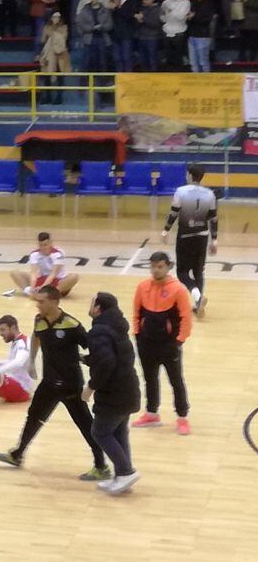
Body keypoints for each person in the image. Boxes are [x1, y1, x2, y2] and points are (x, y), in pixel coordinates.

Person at [0, 286, 111, 482]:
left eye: (41, 301)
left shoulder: (71, 324)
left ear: (55, 302)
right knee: (34, 417)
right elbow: (36, 336)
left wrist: (89, 362)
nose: (37, 304)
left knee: (84, 424)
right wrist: (31, 360)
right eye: (37, 301)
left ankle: (101, 465)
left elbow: (94, 346)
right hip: (49, 382)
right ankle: (17, 454)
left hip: (70, 385)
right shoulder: (39, 320)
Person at [83, 292, 142, 495]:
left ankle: (125, 472)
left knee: (100, 432)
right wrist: (89, 359)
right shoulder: (118, 326)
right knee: (118, 432)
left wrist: (90, 386)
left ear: (98, 308)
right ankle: (122, 475)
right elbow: (115, 356)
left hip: (114, 392)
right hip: (128, 388)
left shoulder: (99, 331)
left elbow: (107, 362)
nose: (90, 306)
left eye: (92, 303)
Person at [131, 251, 193, 435]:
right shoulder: (142, 287)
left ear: (168, 267)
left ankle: (182, 417)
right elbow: (136, 313)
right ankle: (152, 414)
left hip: (169, 344)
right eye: (153, 266)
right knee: (150, 379)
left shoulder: (178, 290)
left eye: (160, 266)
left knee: (176, 381)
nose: (156, 270)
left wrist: (179, 341)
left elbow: (186, 318)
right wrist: (137, 335)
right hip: (146, 342)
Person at [161, 163, 217, 315]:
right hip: (202, 236)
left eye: (187, 174)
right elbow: (213, 219)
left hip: (185, 235)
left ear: (190, 175)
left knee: (182, 272)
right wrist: (214, 241)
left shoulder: (181, 191)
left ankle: (198, 298)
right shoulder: (210, 194)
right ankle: (198, 305)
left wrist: (166, 230)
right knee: (198, 271)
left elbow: (174, 213)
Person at [4, 231, 79, 297]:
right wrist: (32, 288)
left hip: (58, 282)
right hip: (42, 279)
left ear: (50, 243)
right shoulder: (34, 254)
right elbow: (33, 273)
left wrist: (42, 288)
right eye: (41, 245)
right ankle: (29, 291)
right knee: (15, 273)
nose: (43, 248)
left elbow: (53, 274)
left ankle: (51, 294)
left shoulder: (58, 254)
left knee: (74, 277)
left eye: (45, 245)